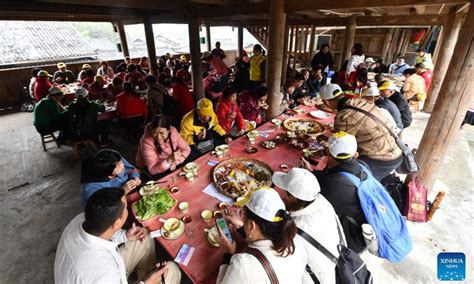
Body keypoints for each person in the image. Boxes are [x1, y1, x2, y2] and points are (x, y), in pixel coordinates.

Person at [54, 187, 181, 283]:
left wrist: (125, 235)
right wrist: (146, 282)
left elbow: (101, 232)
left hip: (96, 266)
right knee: (171, 270)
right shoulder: (103, 274)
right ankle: (147, 278)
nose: (127, 209)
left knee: (144, 237)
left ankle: (145, 274)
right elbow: (103, 275)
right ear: (117, 223)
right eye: (126, 208)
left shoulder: (81, 219)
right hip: (101, 274)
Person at [216, 188, 309, 283]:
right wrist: (242, 227)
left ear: (252, 225)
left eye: (242, 214)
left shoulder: (243, 264)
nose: (241, 217)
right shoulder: (294, 241)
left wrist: (228, 254)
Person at [272, 168, 343, 283]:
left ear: (293, 198)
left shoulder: (296, 229)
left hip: (312, 278)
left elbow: (277, 258)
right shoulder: (322, 201)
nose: (283, 196)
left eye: (285, 193)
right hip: (332, 266)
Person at [301, 131, 367, 253]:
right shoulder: (361, 167)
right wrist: (312, 172)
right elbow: (329, 178)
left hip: (349, 238)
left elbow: (310, 198)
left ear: (330, 156)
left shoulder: (335, 184)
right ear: (356, 155)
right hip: (361, 225)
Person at [319, 83, 403, 180]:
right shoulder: (361, 102)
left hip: (381, 160)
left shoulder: (344, 117)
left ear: (326, 102)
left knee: (350, 179)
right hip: (397, 150)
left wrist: (322, 153)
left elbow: (341, 149)